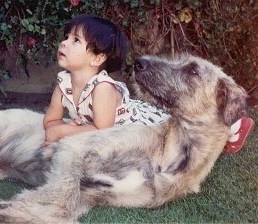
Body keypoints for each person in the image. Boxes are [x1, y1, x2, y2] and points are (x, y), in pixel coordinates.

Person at [42, 14, 254, 153]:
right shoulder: (63, 85)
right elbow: (51, 122)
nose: (64, 42)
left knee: (187, 136)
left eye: (75, 40)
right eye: (67, 37)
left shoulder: (102, 89)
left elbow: (101, 133)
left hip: (142, 124)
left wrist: (62, 132)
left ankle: (235, 125)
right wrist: (60, 128)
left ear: (98, 58)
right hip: (113, 124)